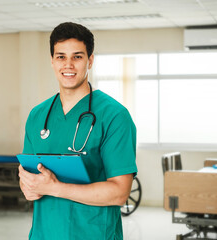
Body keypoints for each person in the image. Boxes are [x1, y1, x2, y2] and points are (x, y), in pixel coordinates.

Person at [18, 22, 137, 240]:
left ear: (90, 60)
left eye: (77, 56)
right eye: (61, 56)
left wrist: (55, 188)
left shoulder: (114, 116)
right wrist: (28, 186)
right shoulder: (37, 115)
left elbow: (120, 192)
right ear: (52, 61)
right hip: (44, 234)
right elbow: (29, 179)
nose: (68, 65)